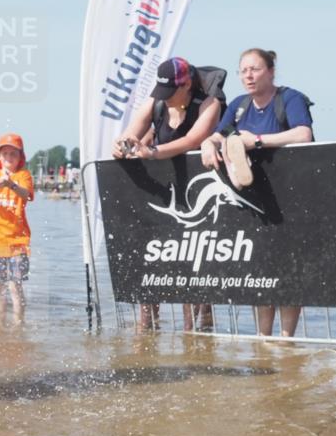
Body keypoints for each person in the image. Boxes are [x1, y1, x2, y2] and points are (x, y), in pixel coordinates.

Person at [200, 49, 314, 337]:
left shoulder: (290, 98)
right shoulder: (238, 105)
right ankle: (263, 338)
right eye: (243, 71)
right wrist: (208, 143)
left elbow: (304, 134)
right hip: (253, 201)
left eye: (255, 69)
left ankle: (287, 338)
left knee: (289, 271)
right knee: (260, 270)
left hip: (292, 197)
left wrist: (258, 141)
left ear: (271, 71)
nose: (248, 76)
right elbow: (220, 132)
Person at [112, 57, 225, 332]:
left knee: (193, 272)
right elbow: (130, 133)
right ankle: (146, 334)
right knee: (151, 269)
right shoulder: (157, 102)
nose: (164, 98)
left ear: (186, 84)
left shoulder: (209, 104)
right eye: (160, 91)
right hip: (161, 196)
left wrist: (152, 152)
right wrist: (123, 145)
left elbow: (192, 140)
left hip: (196, 196)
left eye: (169, 92)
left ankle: (197, 334)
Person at [0, 133, 34, 325]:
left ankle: (19, 324)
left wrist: (10, 184)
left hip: (18, 243)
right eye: (5, 154)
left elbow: (26, 194)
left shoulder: (23, 175)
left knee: (15, 286)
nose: (9, 158)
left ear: (20, 157)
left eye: (13, 154)